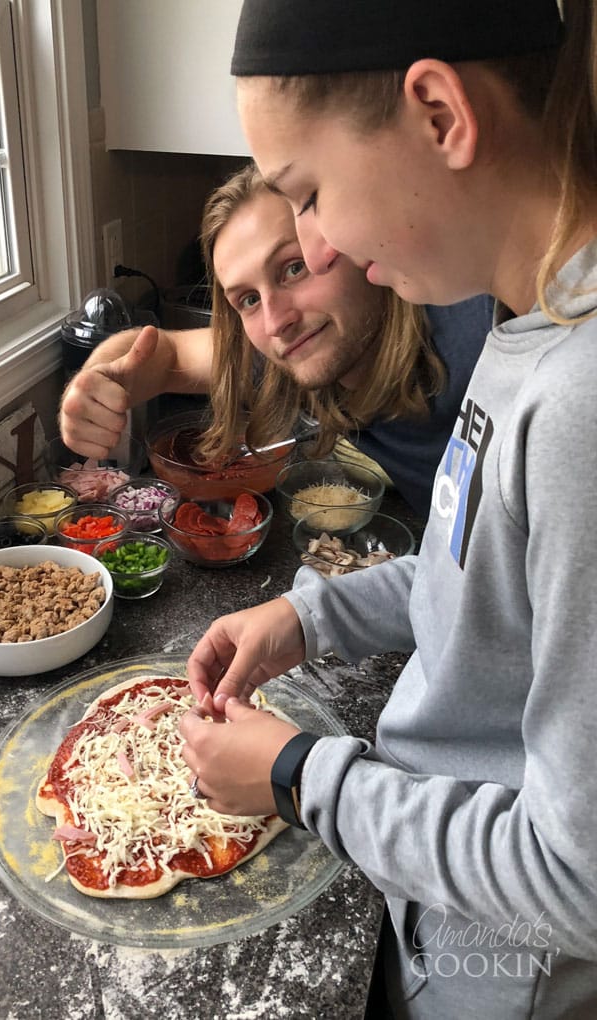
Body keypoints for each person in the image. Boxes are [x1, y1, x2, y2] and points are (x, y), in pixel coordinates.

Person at [179, 1, 597, 1017]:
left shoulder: (580, 405)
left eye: (309, 193)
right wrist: (308, 615)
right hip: (438, 903)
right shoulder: (527, 331)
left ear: (437, 113)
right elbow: (482, 582)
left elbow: (576, 884)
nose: (316, 241)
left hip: (501, 972)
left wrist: (296, 776)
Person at [60, 165, 493, 518]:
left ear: (350, 244)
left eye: (293, 269)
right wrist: (99, 380)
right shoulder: (292, 350)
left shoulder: (477, 337)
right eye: (248, 299)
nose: (276, 321)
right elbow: (160, 355)